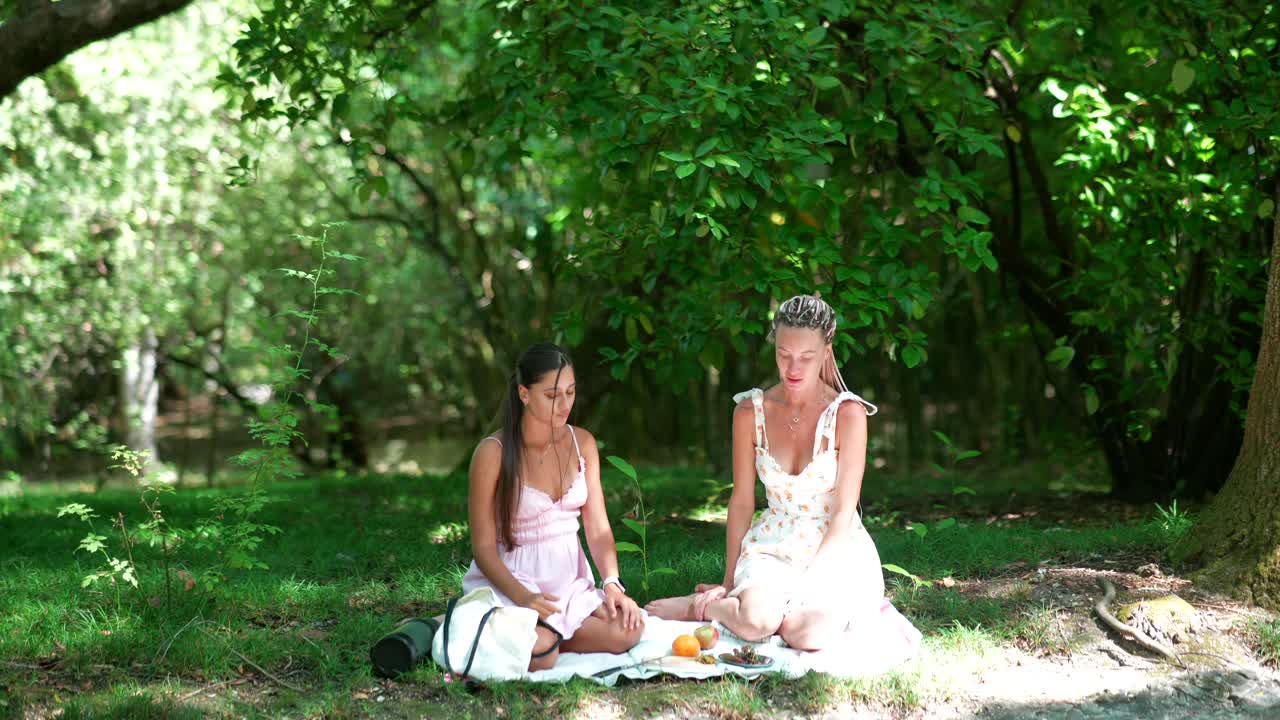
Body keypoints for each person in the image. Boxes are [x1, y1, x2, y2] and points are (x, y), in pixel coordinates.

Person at [647, 295, 919, 653]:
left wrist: (809, 585)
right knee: (756, 623)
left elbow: (842, 514)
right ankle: (700, 607)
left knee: (808, 634)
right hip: (773, 543)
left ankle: (775, 616)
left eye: (806, 357)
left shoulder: (847, 415)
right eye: (783, 354)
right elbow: (742, 501)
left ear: (826, 351)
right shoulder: (750, 412)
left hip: (834, 549)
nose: (793, 368)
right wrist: (729, 583)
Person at [463, 343, 644, 671]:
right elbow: (484, 547)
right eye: (551, 395)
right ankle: (505, 626)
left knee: (629, 631)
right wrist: (523, 598)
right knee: (541, 657)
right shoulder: (492, 452)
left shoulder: (583, 443)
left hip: (568, 583)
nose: (564, 405)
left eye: (571, 392)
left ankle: (550, 634)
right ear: (524, 393)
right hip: (514, 581)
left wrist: (612, 582)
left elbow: (598, 527)